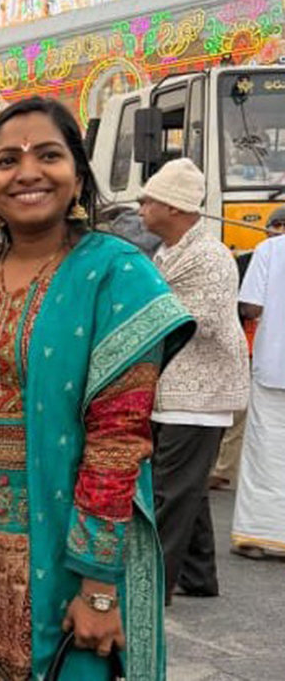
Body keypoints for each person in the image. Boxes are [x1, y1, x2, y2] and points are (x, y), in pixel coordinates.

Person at [0, 97, 193, 681]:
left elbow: (119, 437)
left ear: (78, 175)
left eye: (48, 155)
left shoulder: (116, 273)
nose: (27, 172)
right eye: (6, 161)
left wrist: (99, 587)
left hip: (65, 548)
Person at [138, 159, 248, 601]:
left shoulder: (209, 257)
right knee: (189, 490)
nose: (142, 207)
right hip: (175, 390)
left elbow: (190, 318)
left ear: (176, 208)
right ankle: (199, 576)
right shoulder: (168, 253)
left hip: (199, 393)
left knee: (172, 491)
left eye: (150, 201)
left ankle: (153, 585)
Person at [213, 205, 285, 489]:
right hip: (251, 354)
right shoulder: (248, 261)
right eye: (276, 225)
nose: (278, 230)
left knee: (259, 430)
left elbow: (251, 306)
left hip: (266, 361)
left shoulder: (267, 254)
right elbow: (243, 309)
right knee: (241, 419)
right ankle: (224, 469)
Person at [231, 220, 285, 561]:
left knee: (266, 454)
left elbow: (251, 306)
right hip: (273, 365)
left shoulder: (271, 249)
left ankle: (261, 534)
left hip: (275, 362)